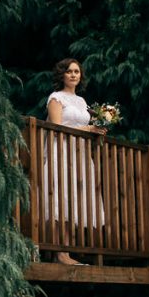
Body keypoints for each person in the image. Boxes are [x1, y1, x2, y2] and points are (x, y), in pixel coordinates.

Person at [44, 58, 105, 265]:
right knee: (60, 197)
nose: (73, 75)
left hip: (80, 153)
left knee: (74, 198)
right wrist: (88, 129)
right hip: (61, 151)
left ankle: (67, 252)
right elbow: (56, 127)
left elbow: (86, 126)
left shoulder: (82, 101)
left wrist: (98, 130)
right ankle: (59, 252)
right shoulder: (56, 98)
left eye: (76, 72)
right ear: (62, 75)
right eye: (69, 71)